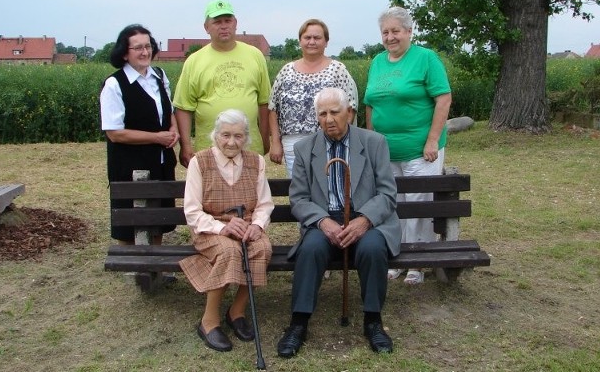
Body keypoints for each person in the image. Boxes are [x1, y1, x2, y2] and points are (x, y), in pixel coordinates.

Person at [276, 87, 401, 358]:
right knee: (310, 249)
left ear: (350, 113)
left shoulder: (374, 142)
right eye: (322, 114)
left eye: (335, 112)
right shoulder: (304, 148)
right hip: (325, 222)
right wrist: (322, 222)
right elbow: (298, 199)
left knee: (371, 248)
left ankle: (373, 321)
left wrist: (364, 220)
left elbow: (387, 194)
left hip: (366, 220)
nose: (329, 119)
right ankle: (298, 323)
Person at [364, 6, 452, 285]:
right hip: (386, 151)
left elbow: (443, 99)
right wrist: (371, 139)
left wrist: (432, 140)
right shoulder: (378, 62)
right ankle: (397, 257)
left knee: (418, 205)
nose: (390, 37)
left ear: (409, 32)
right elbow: (370, 103)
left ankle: (418, 262)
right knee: (394, 204)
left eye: (396, 31)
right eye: (385, 32)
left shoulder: (425, 59)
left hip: (420, 150)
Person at [179, 109, 274, 353]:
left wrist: (257, 225)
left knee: (262, 248)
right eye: (226, 135)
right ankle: (209, 321)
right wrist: (222, 227)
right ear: (215, 136)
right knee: (230, 251)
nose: (232, 142)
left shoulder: (257, 162)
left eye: (238, 136)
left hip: (246, 225)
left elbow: (264, 204)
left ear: (246, 138)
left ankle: (237, 312)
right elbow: (192, 211)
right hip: (209, 229)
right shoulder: (200, 162)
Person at [100, 24, 179, 245]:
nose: (145, 52)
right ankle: (132, 267)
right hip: (129, 163)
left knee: (159, 218)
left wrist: (173, 129)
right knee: (129, 222)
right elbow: (115, 133)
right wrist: (157, 137)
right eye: (137, 48)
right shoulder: (114, 85)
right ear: (125, 53)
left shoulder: (159, 77)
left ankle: (156, 266)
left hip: (161, 161)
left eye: (148, 46)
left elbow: (168, 110)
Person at [174, 0, 271, 168]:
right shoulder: (194, 61)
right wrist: (186, 146)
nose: (224, 26)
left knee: (250, 194)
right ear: (206, 27)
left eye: (228, 21)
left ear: (235, 23)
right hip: (209, 150)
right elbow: (183, 108)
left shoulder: (255, 56)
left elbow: (264, 103)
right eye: (217, 22)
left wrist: (264, 138)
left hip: (248, 148)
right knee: (212, 194)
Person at [269, 18, 358, 177]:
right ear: (300, 41)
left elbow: (350, 107)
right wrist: (275, 142)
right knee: (299, 189)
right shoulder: (286, 71)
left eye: (317, 38)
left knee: (327, 186)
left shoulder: (337, 69)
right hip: (292, 144)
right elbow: (273, 108)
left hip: (329, 141)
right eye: (307, 37)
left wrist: (339, 138)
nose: (312, 42)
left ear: (326, 42)